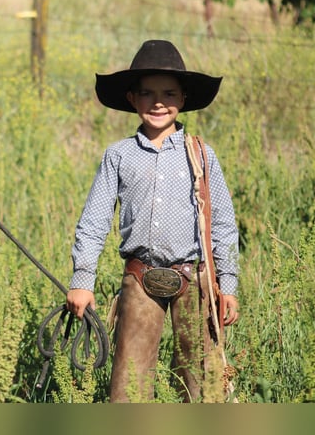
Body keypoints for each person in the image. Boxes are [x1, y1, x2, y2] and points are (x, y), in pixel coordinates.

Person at [66, 39, 239, 402]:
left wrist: (229, 284)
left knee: (203, 383)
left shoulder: (202, 156)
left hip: (195, 280)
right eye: (146, 93)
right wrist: (83, 279)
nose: (158, 102)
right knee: (128, 383)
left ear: (184, 97)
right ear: (131, 99)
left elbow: (222, 224)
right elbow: (95, 220)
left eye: (168, 93)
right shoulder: (118, 156)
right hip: (140, 278)